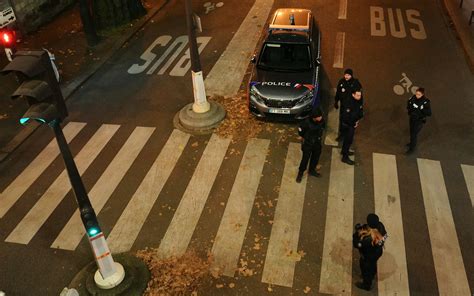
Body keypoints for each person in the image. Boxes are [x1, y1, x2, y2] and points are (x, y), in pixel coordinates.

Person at [296, 108, 325, 183]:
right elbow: (301, 132)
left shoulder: (321, 121)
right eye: (319, 117)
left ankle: (312, 170)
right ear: (314, 117)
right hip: (308, 144)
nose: (321, 118)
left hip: (317, 143)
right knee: (305, 159)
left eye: (320, 116)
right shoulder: (306, 123)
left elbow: (323, 127)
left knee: (315, 157)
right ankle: (300, 173)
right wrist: (303, 138)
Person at [353, 223, 384, 291]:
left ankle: (366, 285)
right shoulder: (378, 231)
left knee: (366, 270)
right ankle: (372, 274)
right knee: (372, 265)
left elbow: (356, 244)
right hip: (376, 254)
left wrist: (356, 234)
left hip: (368, 257)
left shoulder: (366, 240)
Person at [334, 68, 362, 141]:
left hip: (351, 106)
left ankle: (348, 133)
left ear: (351, 76)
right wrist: (336, 101)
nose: (346, 76)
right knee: (342, 120)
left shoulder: (355, 83)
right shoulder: (341, 82)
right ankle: (342, 134)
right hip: (344, 105)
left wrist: (359, 106)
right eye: (345, 75)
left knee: (350, 119)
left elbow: (359, 96)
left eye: (348, 75)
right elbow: (338, 92)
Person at [340, 89, 363, 165]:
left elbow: (360, 111)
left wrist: (357, 120)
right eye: (357, 95)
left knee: (348, 141)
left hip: (352, 124)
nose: (359, 97)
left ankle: (344, 151)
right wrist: (354, 123)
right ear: (353, 95)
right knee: (348, 141)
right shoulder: (349, 103)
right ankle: (345, 157)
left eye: (360, 95)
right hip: (348, 125)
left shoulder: (358, 101)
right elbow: (346, 117)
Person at [406, 87, 431, 154]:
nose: (417, 95)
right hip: (412, 118)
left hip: (419, 121)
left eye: (419, 94)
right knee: (411, 132)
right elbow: (409, 104)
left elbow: (429, 113)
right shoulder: (413, 98)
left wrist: (421, 109)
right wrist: (410, 111)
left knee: (414, 134)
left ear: (422, 94)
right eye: (416, 93)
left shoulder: (426, 102)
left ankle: (412, 148)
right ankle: (411, 143)